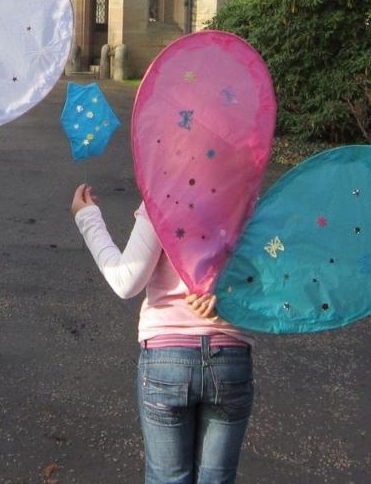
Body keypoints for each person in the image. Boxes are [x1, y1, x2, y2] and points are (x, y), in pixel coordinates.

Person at [69, 183, 254, 484]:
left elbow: (125, 281)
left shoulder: (167, 192)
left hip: (166, 361)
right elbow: (270, 279)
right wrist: (227, 291)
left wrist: (87, 217)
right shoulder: (248, 197)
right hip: (230, 358)